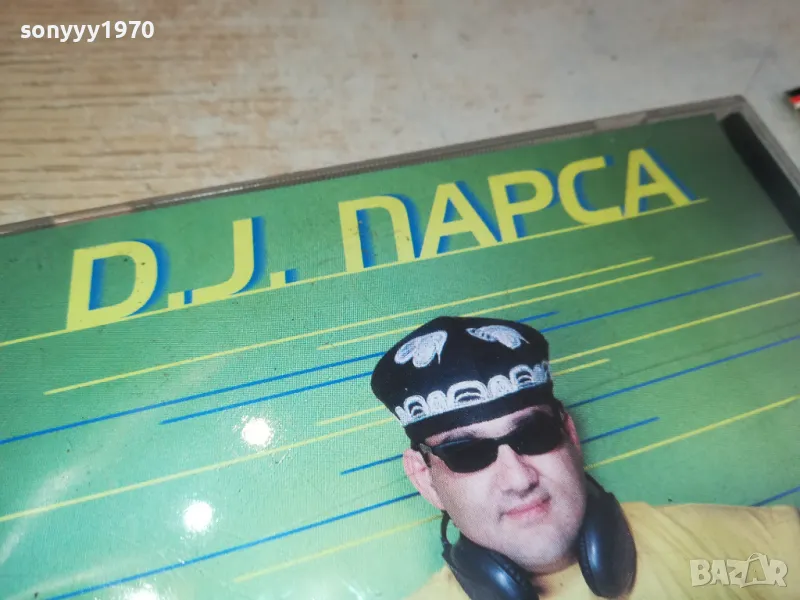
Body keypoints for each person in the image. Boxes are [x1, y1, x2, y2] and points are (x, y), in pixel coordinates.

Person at [369, 315, 800, 599]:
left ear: (569, 434)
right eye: (468, 453)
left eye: (534, 434)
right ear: (425, 479)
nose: (519, 478)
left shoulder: (745, 550)